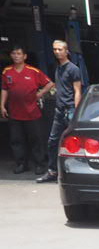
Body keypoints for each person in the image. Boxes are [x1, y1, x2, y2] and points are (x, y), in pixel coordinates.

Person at [34, 40, 82, 183]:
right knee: (52, 142)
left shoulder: (73, 69)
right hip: (59, 111)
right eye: (55, 49)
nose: (57, 52)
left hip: (70, 110)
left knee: (74, 144)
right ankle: (52, 171)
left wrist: (76, 112)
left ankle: (75, 174)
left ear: (67, 51)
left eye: (60, 49)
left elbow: (77, 91)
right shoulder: (57, 68)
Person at [1, 46, 51, 175]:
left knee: (36, 140)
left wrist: (40, 93)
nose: (16, 56)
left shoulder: (33, 71)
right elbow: (4, 89)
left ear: (24, 56)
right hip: (15, 113)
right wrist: (2, 105)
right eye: (13, 53)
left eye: (19, 53)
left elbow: (50, 83)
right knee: (17, 140)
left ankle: (40, 164)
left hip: (32, 112)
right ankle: (21, 164)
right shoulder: (7, 71)